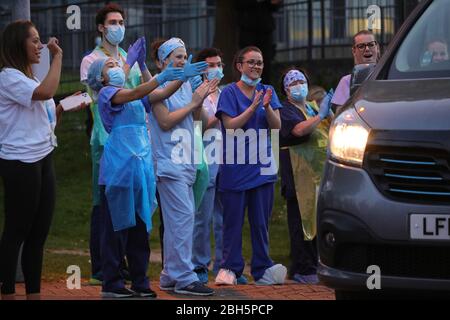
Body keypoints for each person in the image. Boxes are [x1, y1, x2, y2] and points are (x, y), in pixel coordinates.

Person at [0, 20, 86, 300]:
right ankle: (8, 292)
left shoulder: (30, 78)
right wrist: (58, 57)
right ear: (17, 44)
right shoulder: (8, 77)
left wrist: (63, 107)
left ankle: (34, 294)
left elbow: (45, 116)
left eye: (40, 41)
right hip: (20, 162)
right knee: (17, 230)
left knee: (38, 234)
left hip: (44, 156)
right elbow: (46, 93)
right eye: (34, 41)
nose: (40, 47)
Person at [148, 37, 217, 296]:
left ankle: (169, 274)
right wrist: (191, 102)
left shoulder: (188, 84)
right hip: (168, 162)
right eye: (176, 56)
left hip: (187, 161)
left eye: (185, 55)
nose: (182, 60)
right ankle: (184, 277)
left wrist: (201, 96)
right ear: (162, 61)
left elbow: (201, 121)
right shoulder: (156, 86)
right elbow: (164, 122)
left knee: (181, 220)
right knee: (182, 219)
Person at [214, 46, 286, 286]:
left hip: (263, 168)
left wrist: (265, 106)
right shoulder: (228, 93)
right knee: (232, 223)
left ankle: (262, 268)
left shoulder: (268, 91)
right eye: (252, 62)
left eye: (260, 62)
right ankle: (230, 268)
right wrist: (253, 107)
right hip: (235, 169)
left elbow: (276, 127)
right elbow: (231, 126)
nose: (256, 67)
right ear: (239, 65)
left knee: (261, 223)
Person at [279, 68, 333, 284]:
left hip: (317, 177)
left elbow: (332, 127)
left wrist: (328, 113)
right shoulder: (285, 110)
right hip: (297, 176)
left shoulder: (311, 107)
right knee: (300, 224)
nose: (298, 85)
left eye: (301, 81)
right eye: (293, 83)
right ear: (285, 89)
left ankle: (315, 263)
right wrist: (320, 116)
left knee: (316, 223)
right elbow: (299, 131)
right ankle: (303, 268)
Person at [235, 0, 283, 84]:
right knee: (248, 60)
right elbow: (238, 5)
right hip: (248, 30)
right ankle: (247, 88)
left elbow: (274, 7)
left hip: (265, 30)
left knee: (265, 62)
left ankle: (264, 90)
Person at [331, 30, 380, 111]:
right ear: (354, 51)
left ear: (377, 48)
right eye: (361, 46)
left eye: (371, 45)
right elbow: (340, 114)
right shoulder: (347, 81)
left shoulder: (388, 75)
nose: (367, 49)